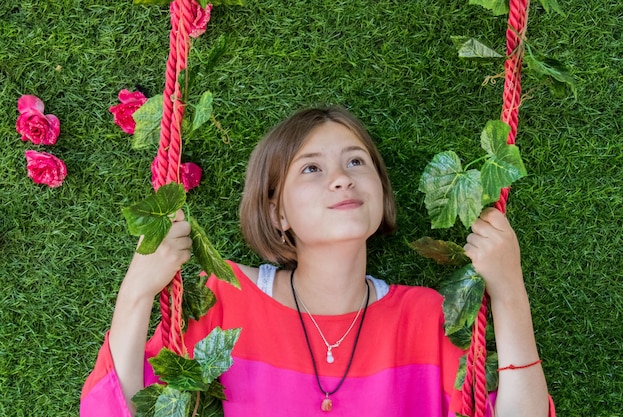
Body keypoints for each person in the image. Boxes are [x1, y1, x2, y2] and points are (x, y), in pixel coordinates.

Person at [81, 107, 554, 417]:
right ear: (276, 211)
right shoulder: (223, 300)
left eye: (356, 162)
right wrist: (138, 290)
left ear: (381, 194)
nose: (340, 180)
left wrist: (509, 289)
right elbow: (118, 408)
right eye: (311, 168)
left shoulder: (427, 318)